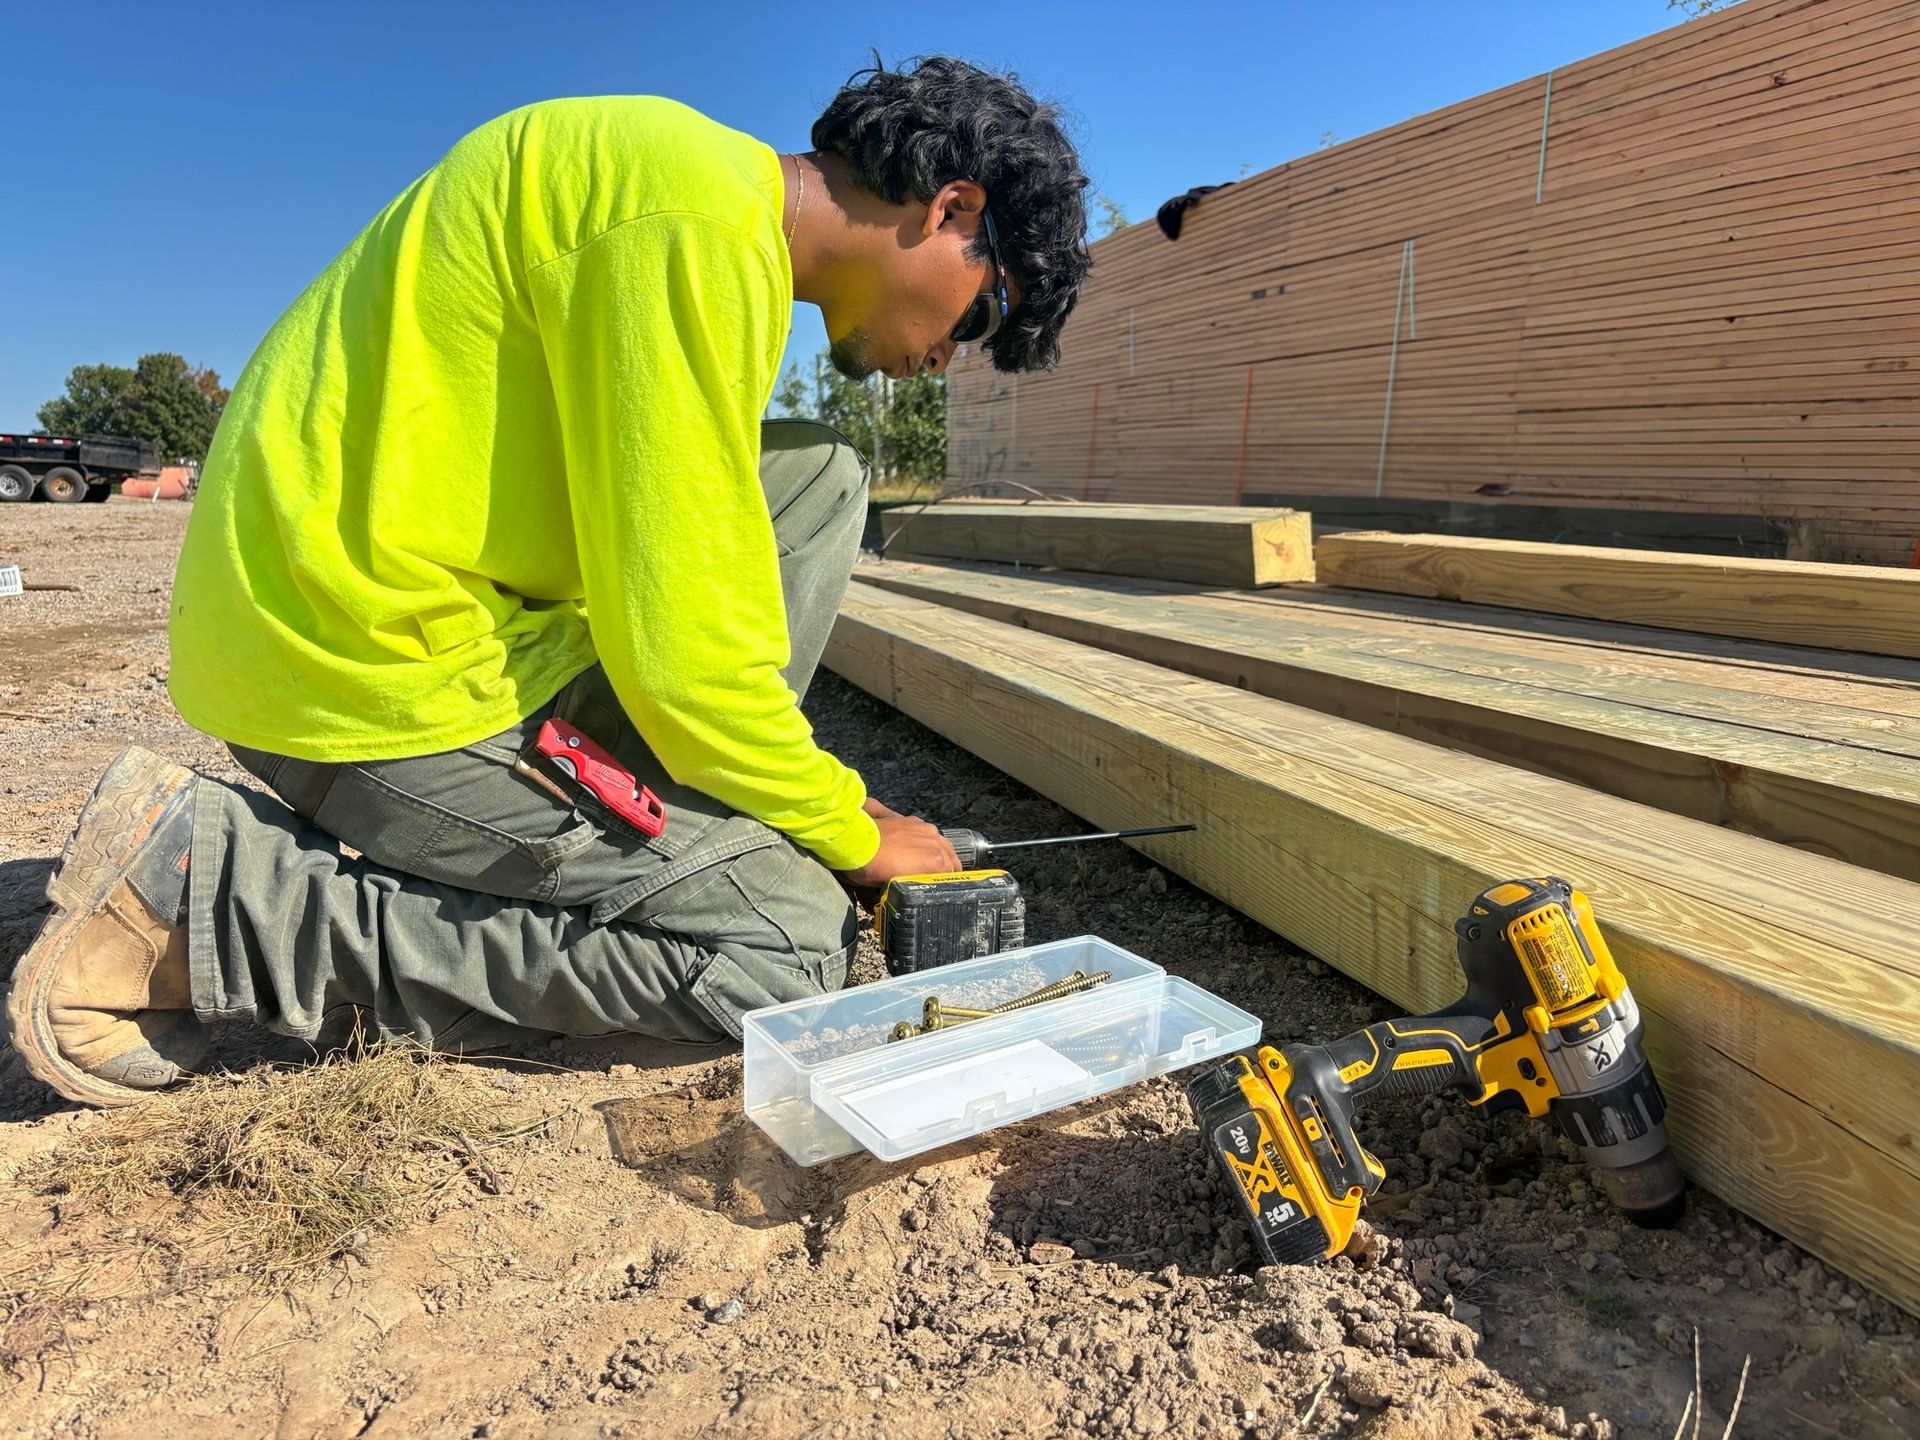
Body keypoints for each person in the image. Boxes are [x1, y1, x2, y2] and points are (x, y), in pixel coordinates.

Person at [7, 58, 1091, 1107]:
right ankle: (214, 901)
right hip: (357, 670)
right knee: (784, 943)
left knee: (815, 475)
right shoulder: (687, 234)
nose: (950, 358)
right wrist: (851, 825)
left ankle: (682, 828)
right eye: (981, 317)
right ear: (951, 208)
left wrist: (790, 795)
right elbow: (692, 664)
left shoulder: (699, 195)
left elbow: (683, 588)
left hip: (389, 603)